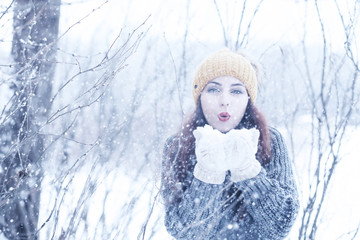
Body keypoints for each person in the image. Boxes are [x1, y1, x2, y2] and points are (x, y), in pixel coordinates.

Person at [161, 49, 299, 240]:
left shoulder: (270, 140)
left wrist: (249, 172)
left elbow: (280, 226)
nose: (224, 101)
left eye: (236, 91)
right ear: (199, 96)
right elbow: (183, 231)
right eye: (213, 89)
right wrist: (207, 175)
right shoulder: (178, 145)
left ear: (248, 99)